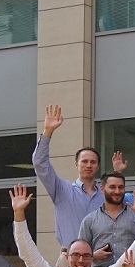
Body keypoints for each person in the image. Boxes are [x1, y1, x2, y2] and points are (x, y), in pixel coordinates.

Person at [32, 104, 103, 246]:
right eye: (84, 161)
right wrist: (48, 132)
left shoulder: (105, 195)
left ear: (98, 166)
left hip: (102, 257)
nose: (89, 165)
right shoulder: (62, 190)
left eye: (93, 162)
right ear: (76, 164)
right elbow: (40, 164)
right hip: (69, 255)